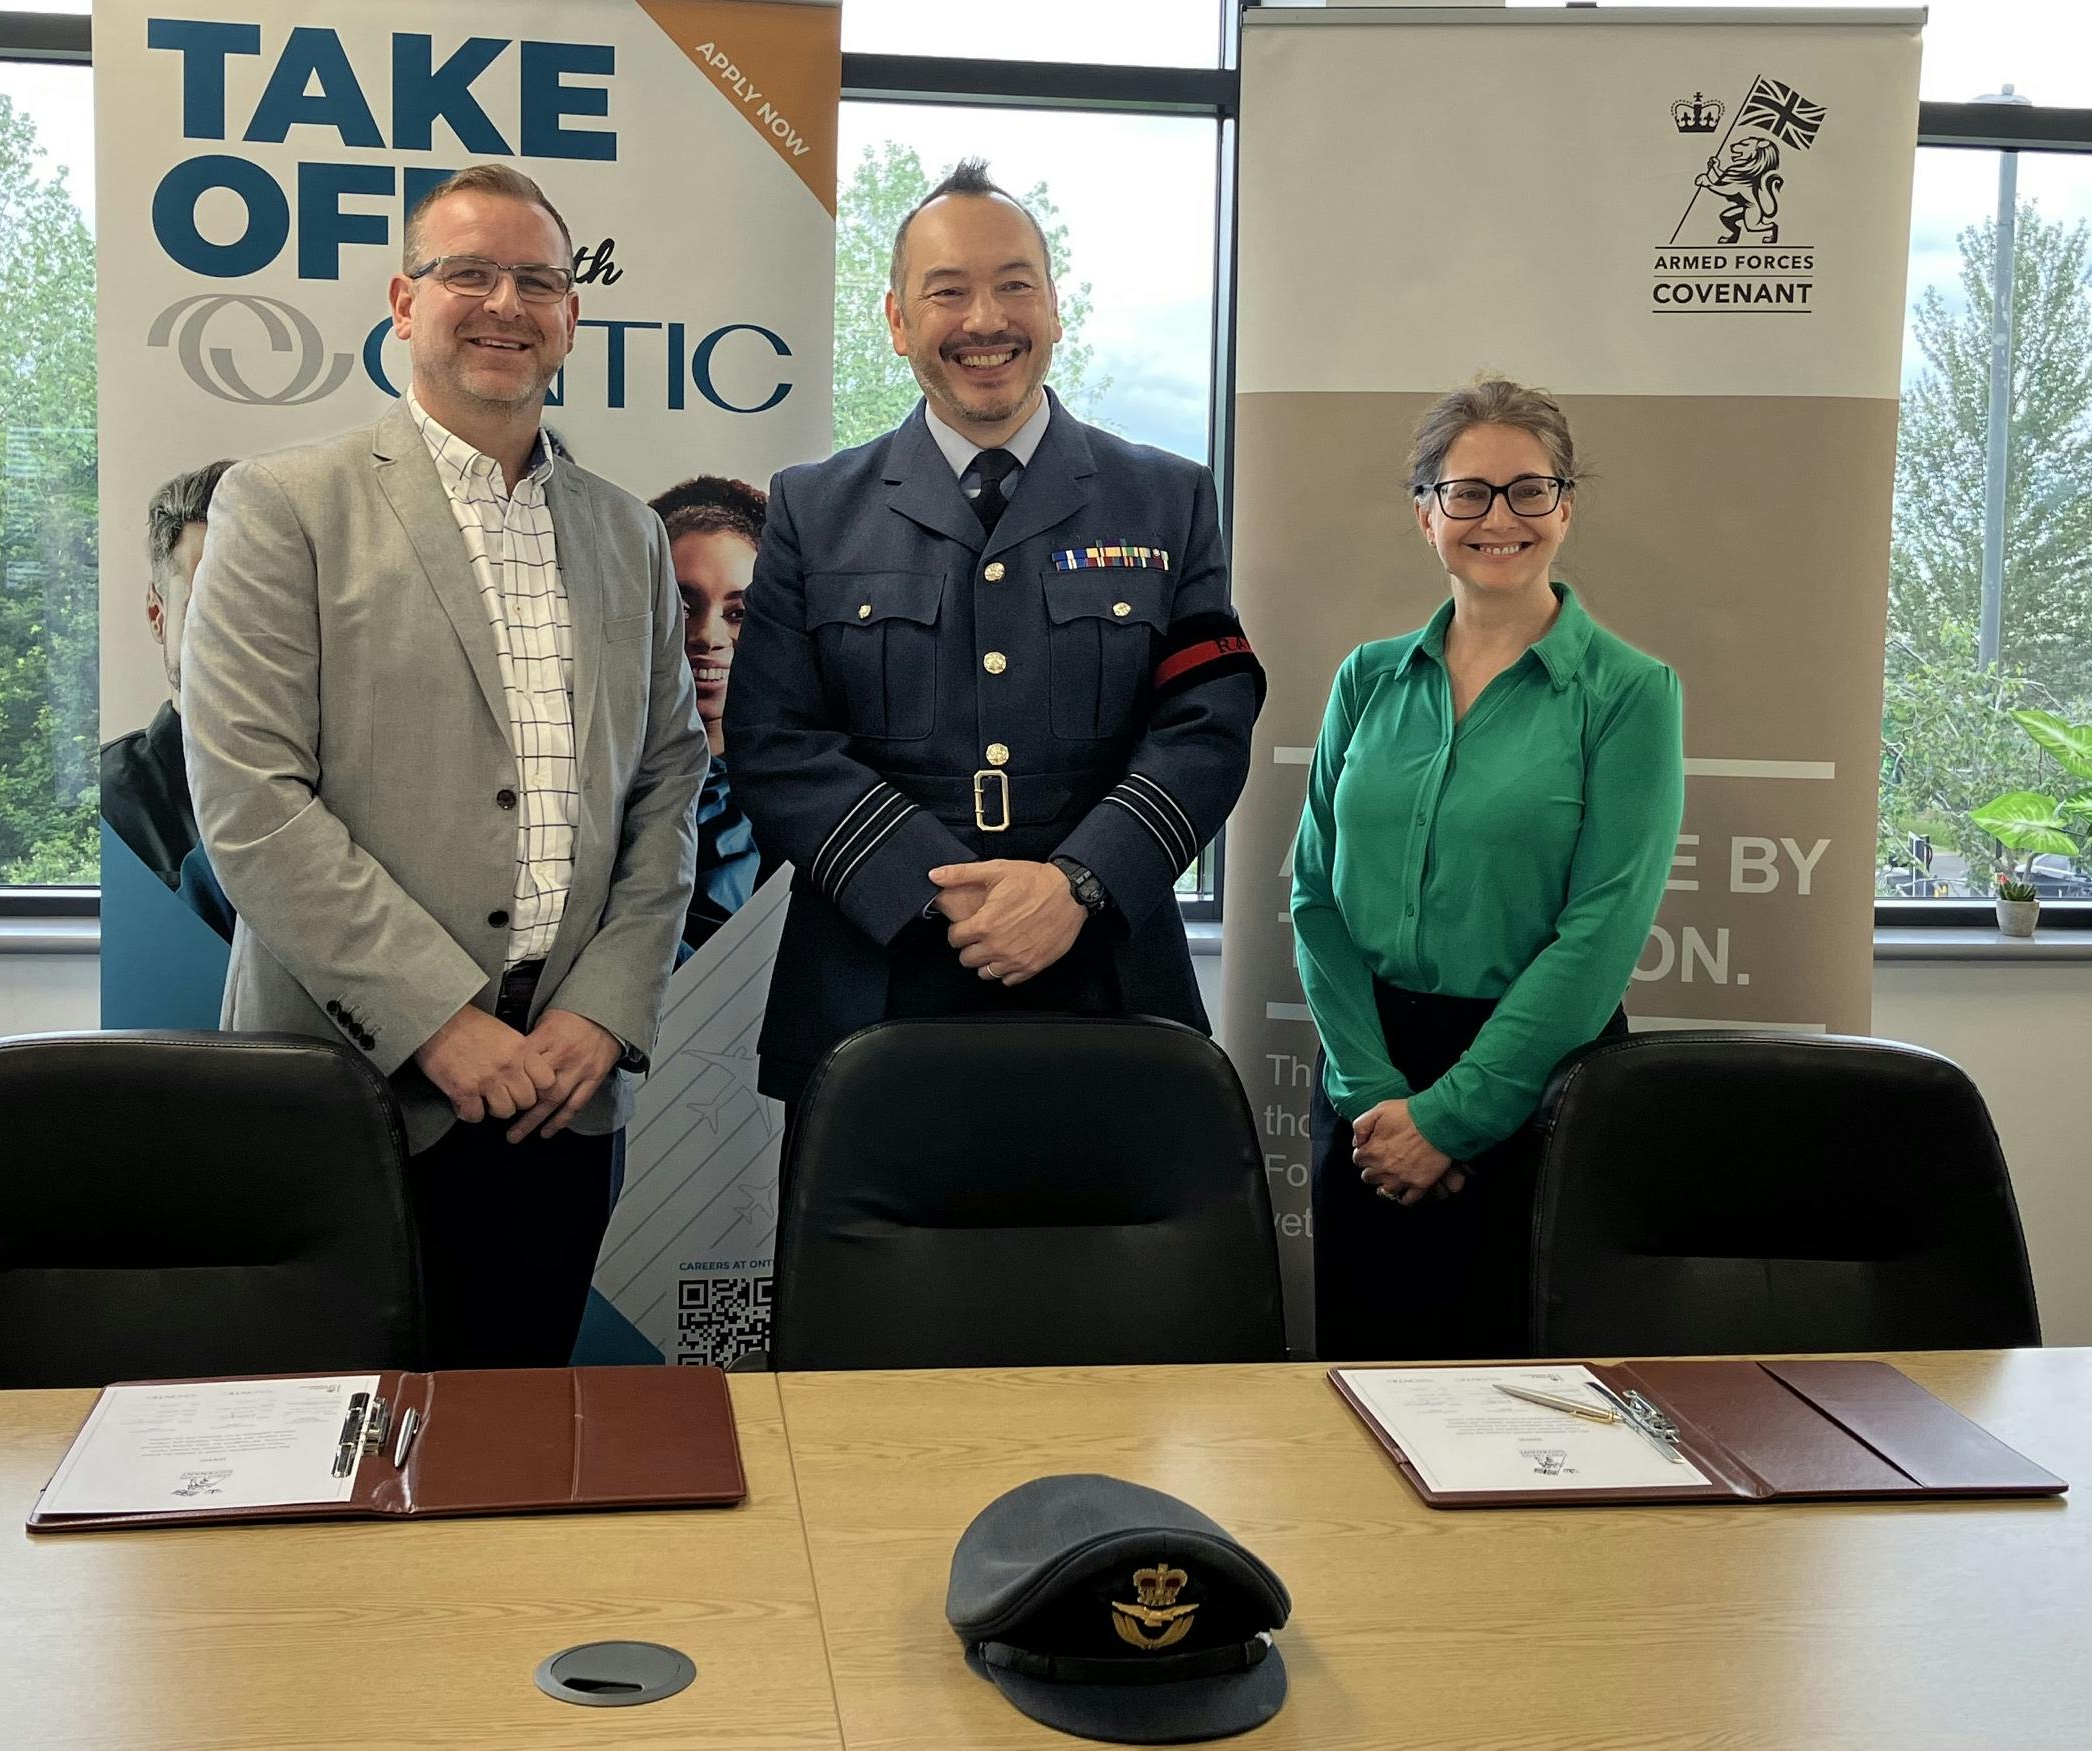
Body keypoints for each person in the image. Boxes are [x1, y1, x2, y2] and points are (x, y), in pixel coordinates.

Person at [181, 163, 707, 1369]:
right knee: (325, 1462)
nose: (503, 303)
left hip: (563, 1099)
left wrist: (601, 1010)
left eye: (536, 280)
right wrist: (439, 1020)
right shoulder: (282, 506)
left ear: (571, 317)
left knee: (511, 1454)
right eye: (467, 272)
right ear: (402, 301)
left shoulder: (627, 532)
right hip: (353, 1092)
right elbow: (253, 804)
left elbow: (669, 786)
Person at [726, 159, 1261, 1104]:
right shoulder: (814, 508)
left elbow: (1206, 724)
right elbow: (774, 741)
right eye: (947, 291)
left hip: (1107, 979)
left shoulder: (1166, 498)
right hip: (873, 982)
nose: (985, 320)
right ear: (896, 323)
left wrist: (1076, 885)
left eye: (1015, 285)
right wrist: (936, 890)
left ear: (1055, 309)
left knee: (1115, 1256)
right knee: (866, 1257)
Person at [1291, 378, 1685, 1362]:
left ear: (1565, 506)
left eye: (1527, 490)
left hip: (1536, 1088)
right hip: (1366, 1093)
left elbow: (1599, 932)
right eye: (1465, 492)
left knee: (1526, 1420)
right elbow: (1312, 893)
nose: (1496, 518)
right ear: (1424, 512)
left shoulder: (1630, 692)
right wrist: (1375, 1095)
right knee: (1358, 1399)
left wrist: (1450, 1117)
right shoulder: (1364, 678)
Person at [100, 458, 237, 939]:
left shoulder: (351, 789)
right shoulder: (105, 800)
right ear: (159, 615)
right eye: (207, 601)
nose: (237, 629)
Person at [647, 475, 779, 962]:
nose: (708, 635)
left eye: (740, 611)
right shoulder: (588, 783)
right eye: (684, 605)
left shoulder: (805, 793)